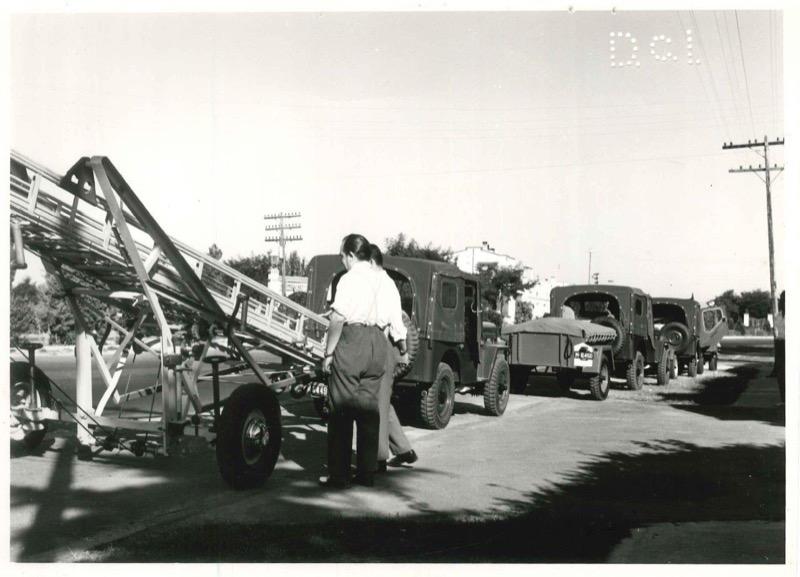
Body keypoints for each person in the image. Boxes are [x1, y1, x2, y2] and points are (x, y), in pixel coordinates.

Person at [319, 234, 388, 489]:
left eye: (342, 256)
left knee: (341, 410)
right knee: (369, 411)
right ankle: (367, 473)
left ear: (350, 255)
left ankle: (339, 476)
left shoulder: (348, 280)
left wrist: (329, 353)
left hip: (353, 341)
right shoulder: (380, 278)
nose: (342, 261)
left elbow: (338, 319)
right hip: (377, 342)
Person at [369, 244, 418, 471]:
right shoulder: (383, 283)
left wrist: (403, 350)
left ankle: (379, 458)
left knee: (378, 403)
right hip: (382, 342)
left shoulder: (383, 285)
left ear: (370, 262)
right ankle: (404, 449)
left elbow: (396, 322)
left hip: (383, 342)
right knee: (383, 399)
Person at [775, 290, 786, 404]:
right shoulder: (779, 315)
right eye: (781, 299)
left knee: (782, 377)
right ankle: (784, 401)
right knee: (781, 377)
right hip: (781, 345)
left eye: (783, 299)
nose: (781, 301)